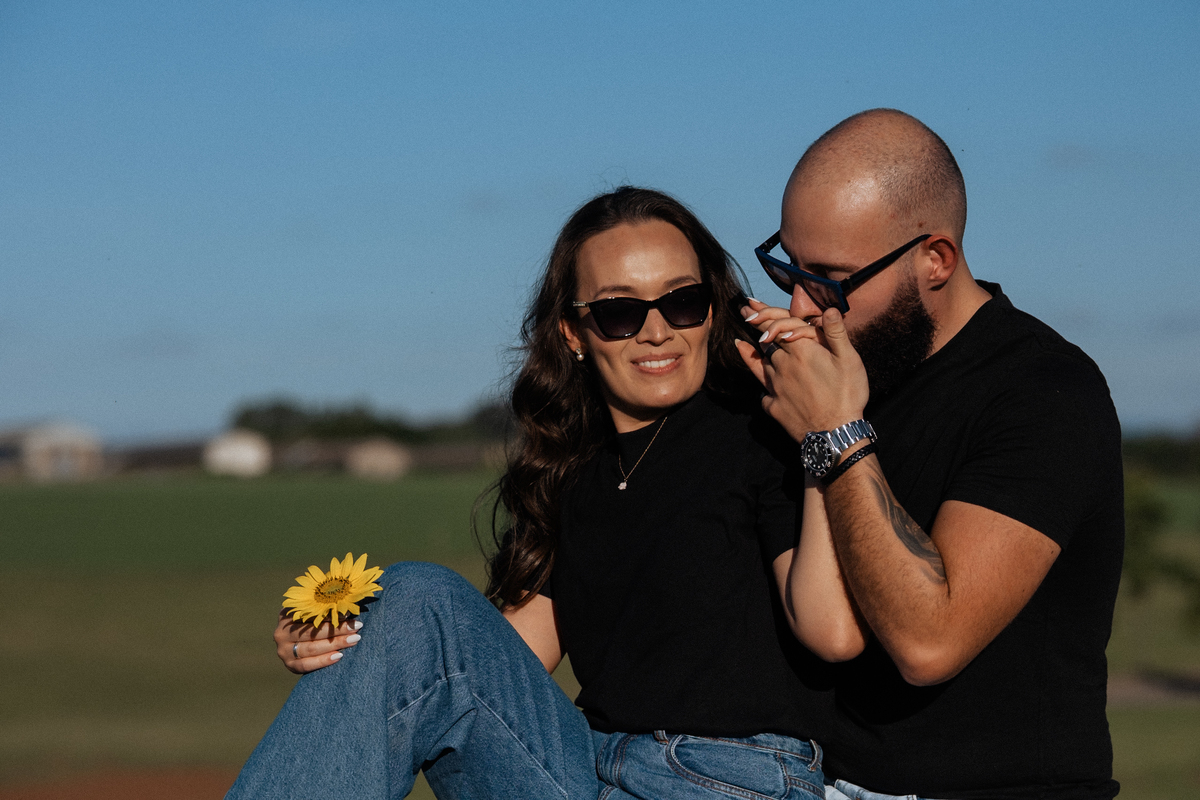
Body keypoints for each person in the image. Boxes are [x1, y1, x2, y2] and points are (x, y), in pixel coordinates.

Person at [227, 186, 852, 800]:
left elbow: (833, 634)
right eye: (619, 311)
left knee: (419, 599)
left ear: (713, 309)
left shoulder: (761, 435)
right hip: (589, 768)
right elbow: (473, 671)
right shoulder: (573, 474)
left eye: (683, 301)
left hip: (728, 781)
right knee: (412, 599)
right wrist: (341, 643)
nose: (657, 331)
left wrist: (824, 434)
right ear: (574, 332)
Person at [738, 109, 1125, 800]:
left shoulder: (1044, 392)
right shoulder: (813, 379)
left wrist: (832, 433)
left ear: (935, 260)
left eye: (829, 279)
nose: (799, 305)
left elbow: (929, 643)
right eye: (787, 266)